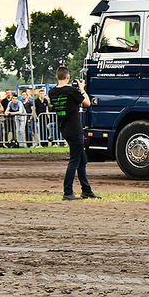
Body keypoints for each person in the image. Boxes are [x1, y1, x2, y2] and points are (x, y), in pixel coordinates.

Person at [49, 66, 100, 201]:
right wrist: (82, 89)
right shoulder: (71, 91)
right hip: (75, 129)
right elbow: (87, 103)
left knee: (82, 160)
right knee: (74, 161)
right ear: (68, 77)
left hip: (64, 129)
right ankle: (67, 192)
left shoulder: (52, 92)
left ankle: (86, 191)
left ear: (57, 77)